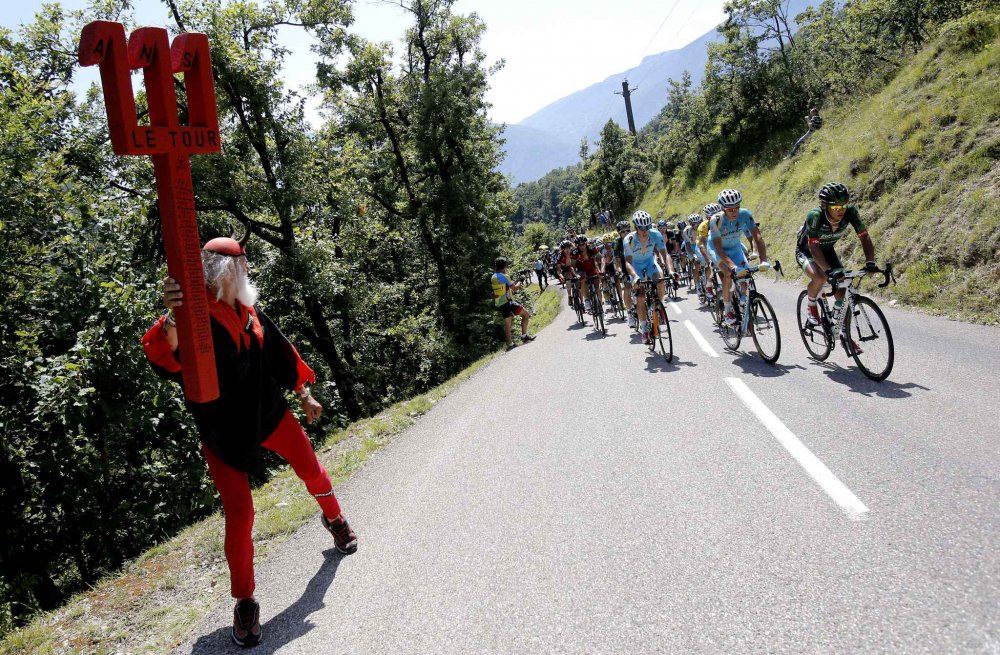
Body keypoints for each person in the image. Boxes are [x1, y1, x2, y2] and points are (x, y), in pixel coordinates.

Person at [143, 236, 357, 649]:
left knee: (312, 468)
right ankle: (244, 599)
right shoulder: (191, 315)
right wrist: (172, 320)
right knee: (240, 514)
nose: (248, 272)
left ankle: (335, 519)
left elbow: (281, 352)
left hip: (268, 413)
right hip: (223, 429)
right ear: (226, 272)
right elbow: (167, 353)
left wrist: (304, 393)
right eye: (243, 266)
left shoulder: (249, 311)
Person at [796, 182, 878, 338]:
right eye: (835, 208)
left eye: (843, 206)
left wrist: (870, 262)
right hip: (806, 251)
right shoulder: (815, 216)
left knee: (843, 287)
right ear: (825, 205)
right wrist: (827, 271)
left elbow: (864, 236)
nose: (840, 210)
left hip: (827, 251)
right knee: (820, 277)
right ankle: (812, 305)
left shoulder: (851, 212)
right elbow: (813, 248)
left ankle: (839, 329)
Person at [709, 189, 770, 326]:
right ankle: (728, 309)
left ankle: (743, 299)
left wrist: (763, 260)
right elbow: (718, 248)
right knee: (728, 273)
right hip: (717, 249)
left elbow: (757, 237)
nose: (735, 212)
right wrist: (733, 267)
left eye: (737, 207)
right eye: (730, 210)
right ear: (723, 209)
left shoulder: (745, 214)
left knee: (746, 274)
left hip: (735, 247)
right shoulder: (716, 220)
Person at [624, 210, 674, 345]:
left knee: (661, 280)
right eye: (641, 228)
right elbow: (628, 262)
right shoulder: (629, 240)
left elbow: (665, 254)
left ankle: (656, 305)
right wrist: (634, 276)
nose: (645, 230)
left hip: (650, 262)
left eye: (647, 227)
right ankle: (645, 328)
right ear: (636, 227)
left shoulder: (656, 234)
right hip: (636, 266)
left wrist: (670, 270)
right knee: (640, 295)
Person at [492, 257, 535, 349]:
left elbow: (505, 286)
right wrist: (521, 280)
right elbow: (514, 288)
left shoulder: (493, 277)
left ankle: (510, 344)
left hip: (500, 303)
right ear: (505, 266)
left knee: (507, 324)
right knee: (526, 314)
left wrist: (515, 282)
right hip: (508, 302)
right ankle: (524, 336)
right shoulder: (504, 276)